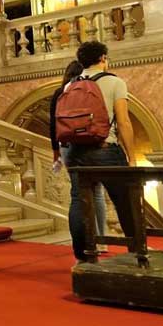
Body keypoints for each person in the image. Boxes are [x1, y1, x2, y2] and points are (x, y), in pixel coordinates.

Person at [64, 41, 136, 263]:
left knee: (78, 200)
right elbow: (123, 122)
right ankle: (137, 249)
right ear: (103, 58)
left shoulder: (70, 85)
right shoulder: (114, 82)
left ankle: (83, 256)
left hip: (76, 151)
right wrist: (131, 157)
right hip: (105, 148)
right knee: (125, 200)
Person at [50, 60, 108, 250]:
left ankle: (81, 243)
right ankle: (101, 240)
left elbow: (54, 124)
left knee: (77, 193)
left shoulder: (60, 93)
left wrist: (55, 151)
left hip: (68, 145)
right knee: (97, 193)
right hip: (92, 142)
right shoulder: (92, 88)